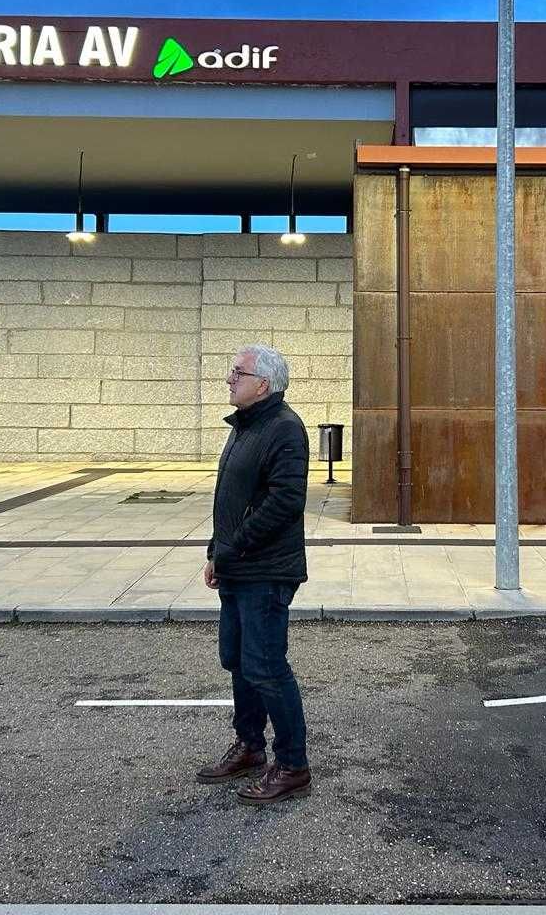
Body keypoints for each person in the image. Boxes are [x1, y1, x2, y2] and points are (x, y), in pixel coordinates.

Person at [195, 343, 311, 804]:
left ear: (262, 384)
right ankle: (249, 746)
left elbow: (285, 503)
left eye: (237, 372)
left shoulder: (285, 429)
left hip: (266, 569)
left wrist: (233, 548)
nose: (229, 378)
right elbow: (230, 499)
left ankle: (293, 765)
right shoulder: (245, 427)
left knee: (266, 667)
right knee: (239, 662)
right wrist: (215, 552)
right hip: (238, 565)